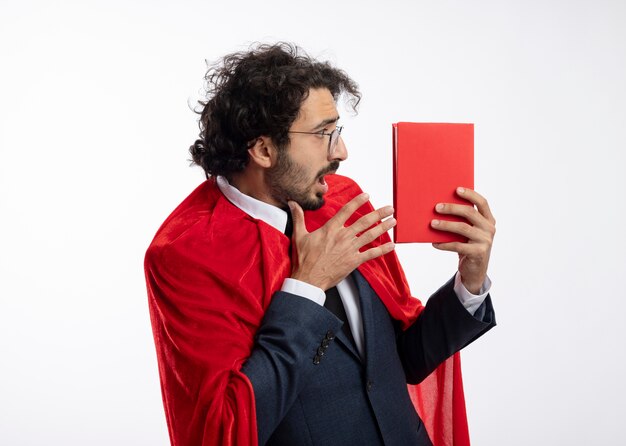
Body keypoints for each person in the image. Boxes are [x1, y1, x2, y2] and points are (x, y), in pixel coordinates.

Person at [144, 42, 497, 446]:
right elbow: (225, 430)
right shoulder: (186, 253)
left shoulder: (342, 199)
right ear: (263, 149)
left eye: (337, 130)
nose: (341, 151)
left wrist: (469, 282)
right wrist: (306, 287)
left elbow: (401, 361)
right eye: (322, 134)